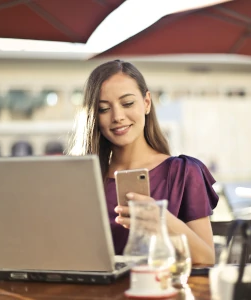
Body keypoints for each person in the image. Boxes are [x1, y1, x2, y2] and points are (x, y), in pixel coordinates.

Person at [69, 60, 219, 265]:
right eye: (104, 109)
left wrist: (162, 221)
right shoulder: (83, 179)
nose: (118, 117)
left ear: (146, 103)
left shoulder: (183, 172)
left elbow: (207, 258)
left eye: (127, 103)